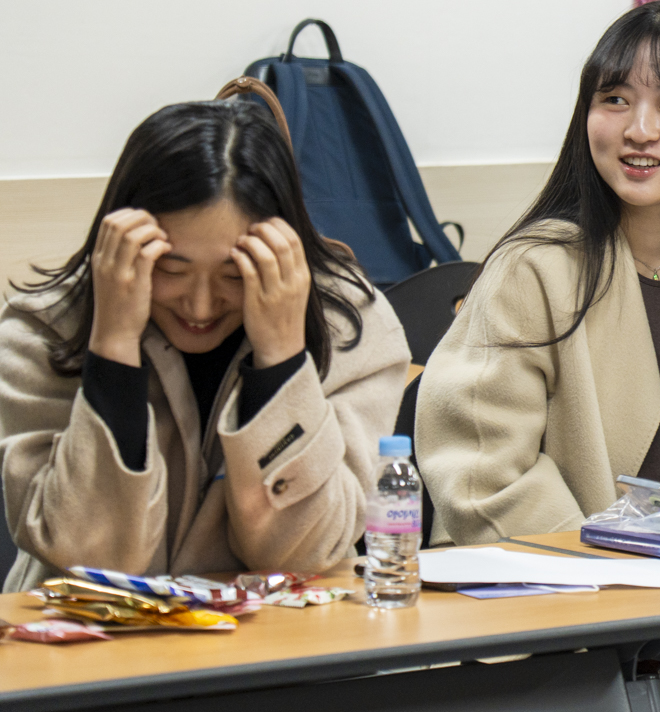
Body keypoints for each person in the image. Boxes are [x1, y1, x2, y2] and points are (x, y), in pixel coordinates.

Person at [417, 0, 660, 545]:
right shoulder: (533, 270)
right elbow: (484, 471)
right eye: (615, 100)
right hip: (558, 583)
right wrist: (607, 572)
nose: (639, 130)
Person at [0, 98, 409, 592]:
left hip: (283, 636)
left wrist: (282, 358)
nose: (199, 306)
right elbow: (86, 555)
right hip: (83, 632)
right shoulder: (43, 329)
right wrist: (112, 344)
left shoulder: (351, 327)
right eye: (171, 270)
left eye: (235, 275)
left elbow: (302, 554)